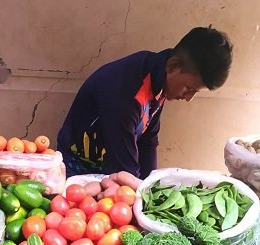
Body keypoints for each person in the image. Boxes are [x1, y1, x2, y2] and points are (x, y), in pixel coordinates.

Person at [57, 26, 233, 179]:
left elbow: (148, 140)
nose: (188, 97)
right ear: (173, 66)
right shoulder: (127, 90)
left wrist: (151, 182)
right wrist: (141, 190)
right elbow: (124, 169)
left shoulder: (157, 76)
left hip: (110, 162)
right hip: (78, 164)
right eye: (189, 88)